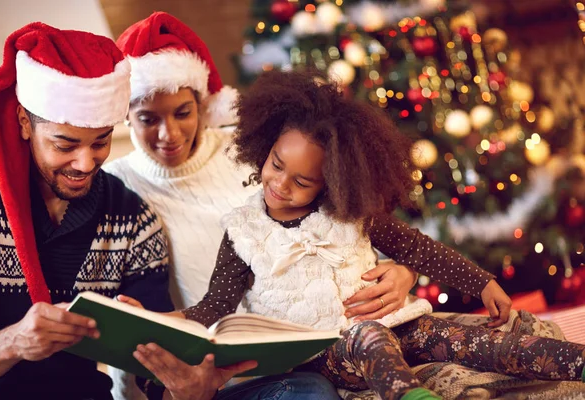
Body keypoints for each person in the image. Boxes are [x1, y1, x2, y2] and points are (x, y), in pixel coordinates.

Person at [121, 70, 585, 400]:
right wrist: (160, 322)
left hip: (398, 327)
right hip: (324, 356)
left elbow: (416, 247)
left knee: (464, 338)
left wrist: (482, 283)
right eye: (276, 166)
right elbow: (214, 306)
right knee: (366, 336)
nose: (281, 184)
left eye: (302, 182)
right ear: (263, 149)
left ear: (333, 181)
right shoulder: (243, 231)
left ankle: (573, 361)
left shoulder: (349, 212)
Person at [0, 23, 335, 400]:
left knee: (308, 390)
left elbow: (155, 355)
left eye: (101, 142)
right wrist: (9, 344)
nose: (86, 163)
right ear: (25, 123)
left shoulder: (128, 214)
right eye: (64, 144)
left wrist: (179, 390)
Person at [105, 12, 419, 400]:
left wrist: (404, 271)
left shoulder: (256, 151)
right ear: (124, 115)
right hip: (214, 366)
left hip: (310, 339)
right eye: (147, 118)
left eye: (182, 113)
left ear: (202, 104)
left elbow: (342, 217)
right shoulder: (115, 186)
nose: (169, 133)